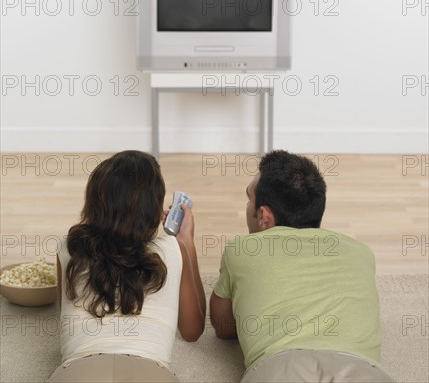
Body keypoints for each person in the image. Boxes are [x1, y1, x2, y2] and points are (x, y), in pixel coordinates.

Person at [210, 150, 396, 383]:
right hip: (363, 371)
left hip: (281, 368)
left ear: (264, 216)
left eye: (249, 199)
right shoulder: (361, 253)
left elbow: (223, 327)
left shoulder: (241, 249)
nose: (247, 206)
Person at [49, 150, 206, 383]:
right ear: (152, 209)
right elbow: (193, 331)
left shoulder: (68, 249)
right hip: (150, 374)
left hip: (76, 373)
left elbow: (64, 315)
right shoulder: (173, 251)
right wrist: (187, 244)